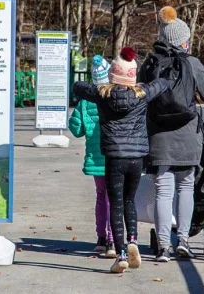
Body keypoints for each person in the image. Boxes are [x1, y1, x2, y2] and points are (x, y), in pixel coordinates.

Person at [73, 47, 169, 274]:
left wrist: (101, 86)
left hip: (114, 159)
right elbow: (162, 83)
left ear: (113, 74)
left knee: (115, 203)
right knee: (129, 201)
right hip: (136, 159)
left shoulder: (102, 94)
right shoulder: (142, 93)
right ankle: (133, 239)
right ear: (132, 74)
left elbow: (78, 87)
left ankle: (121, 254)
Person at [138, 6, 204, 262]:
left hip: (158, 135)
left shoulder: (149, 63)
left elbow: (140, 97)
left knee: (163, 190)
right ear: (183, 40)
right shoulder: (192, 63)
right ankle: (182, 239)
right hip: (188, 134)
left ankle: (163, 245)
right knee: (186, 186)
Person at [68, 55, 115, 258]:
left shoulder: (85, 102)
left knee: (100, 196)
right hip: (115, 156)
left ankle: (101, 238)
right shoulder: (116, 97)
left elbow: (76, 129)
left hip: (96, 158)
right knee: (115, 199)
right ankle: (114, 239)